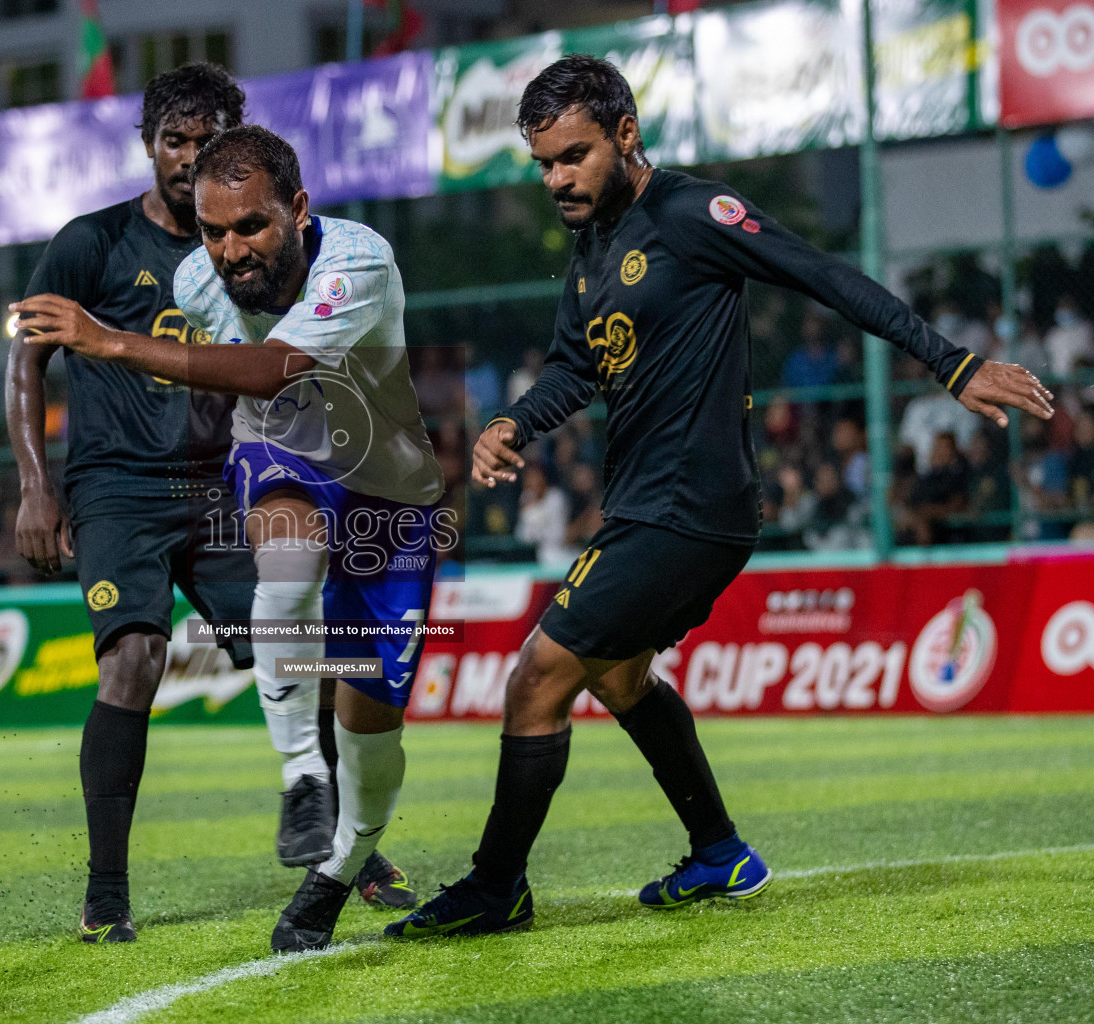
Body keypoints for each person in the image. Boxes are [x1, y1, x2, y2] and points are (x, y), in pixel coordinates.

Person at [387, 54, 1055, 940]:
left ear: (626, 134)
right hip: (647, 506)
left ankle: (494, 885)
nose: (557, 179)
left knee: (536, 679)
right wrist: (513, 423)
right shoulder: (590, 250)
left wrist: (951, 361)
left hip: (689, 507)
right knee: (620, 676)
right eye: (544, 163)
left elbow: (824, 275)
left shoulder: (692, 213)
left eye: (574, 156)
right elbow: (573, 367)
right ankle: (718, 852)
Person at [11, 124, 445, 953]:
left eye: (250, 227)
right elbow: (233, 389)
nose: (230, 250)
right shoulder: (194, 279)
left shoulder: (358, 259)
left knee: (369, 718)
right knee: (280, 566)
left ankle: (348, 855)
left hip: (388, 490)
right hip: (279, 456)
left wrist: (109, 340)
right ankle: (300, 780)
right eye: (214, 232)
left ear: (299, 210)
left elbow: (275, 364)